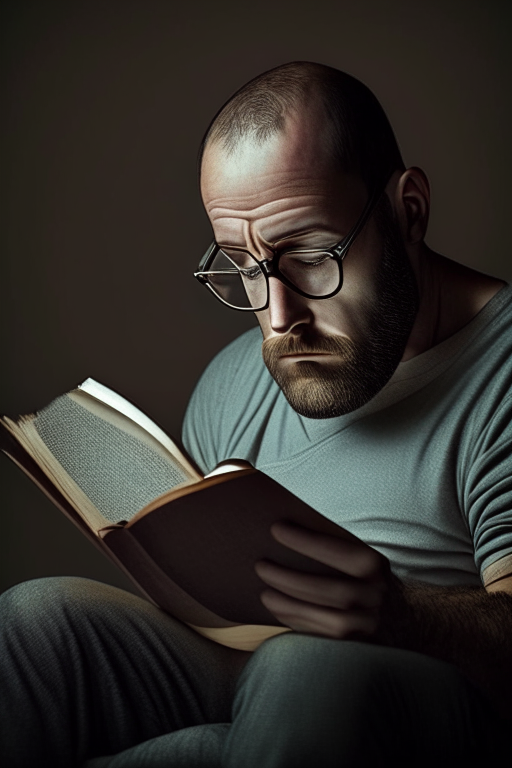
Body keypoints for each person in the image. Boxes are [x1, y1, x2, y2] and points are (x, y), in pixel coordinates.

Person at [1, 61, 511, 768]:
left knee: (304, 670)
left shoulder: (502, 369)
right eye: (244, 265)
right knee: (35, 620)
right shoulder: (235, 380)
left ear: (409, 211)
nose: (277, 318)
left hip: (427, 704)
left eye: (308, 254)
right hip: (256, 680)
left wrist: (402, 615)